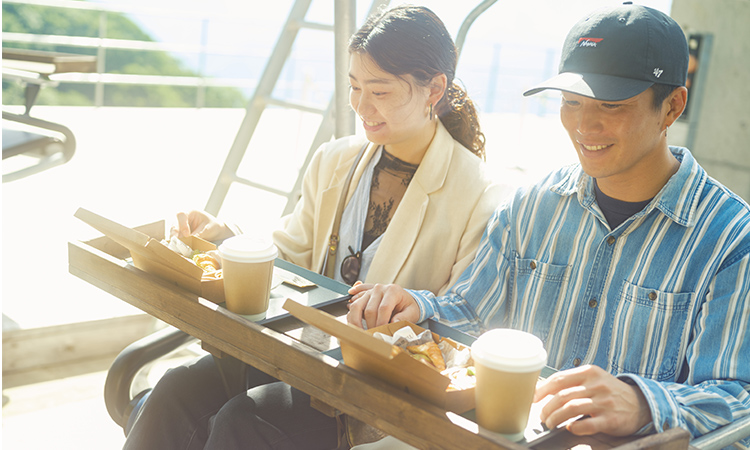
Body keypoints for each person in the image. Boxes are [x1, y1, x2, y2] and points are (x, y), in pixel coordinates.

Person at [347, 2, 750, 445]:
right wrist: (417, 307)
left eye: (612, 105)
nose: (585, 125)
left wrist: (641, 403)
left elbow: (738, 396)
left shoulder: (731, 238)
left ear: (672, 107)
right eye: (571, 102)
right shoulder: (530, 206)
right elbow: (472, 314)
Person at [123, 5, 508, 449]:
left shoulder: (482, 196)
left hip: (379, 393)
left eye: (379, 91)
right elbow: (290, 251)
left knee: (242, 423)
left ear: (434, 89)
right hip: (302, 357)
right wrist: (226, 240)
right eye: (353, 86)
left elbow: (460, 327)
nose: (361, 106)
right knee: (176, 390)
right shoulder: (336, 160)